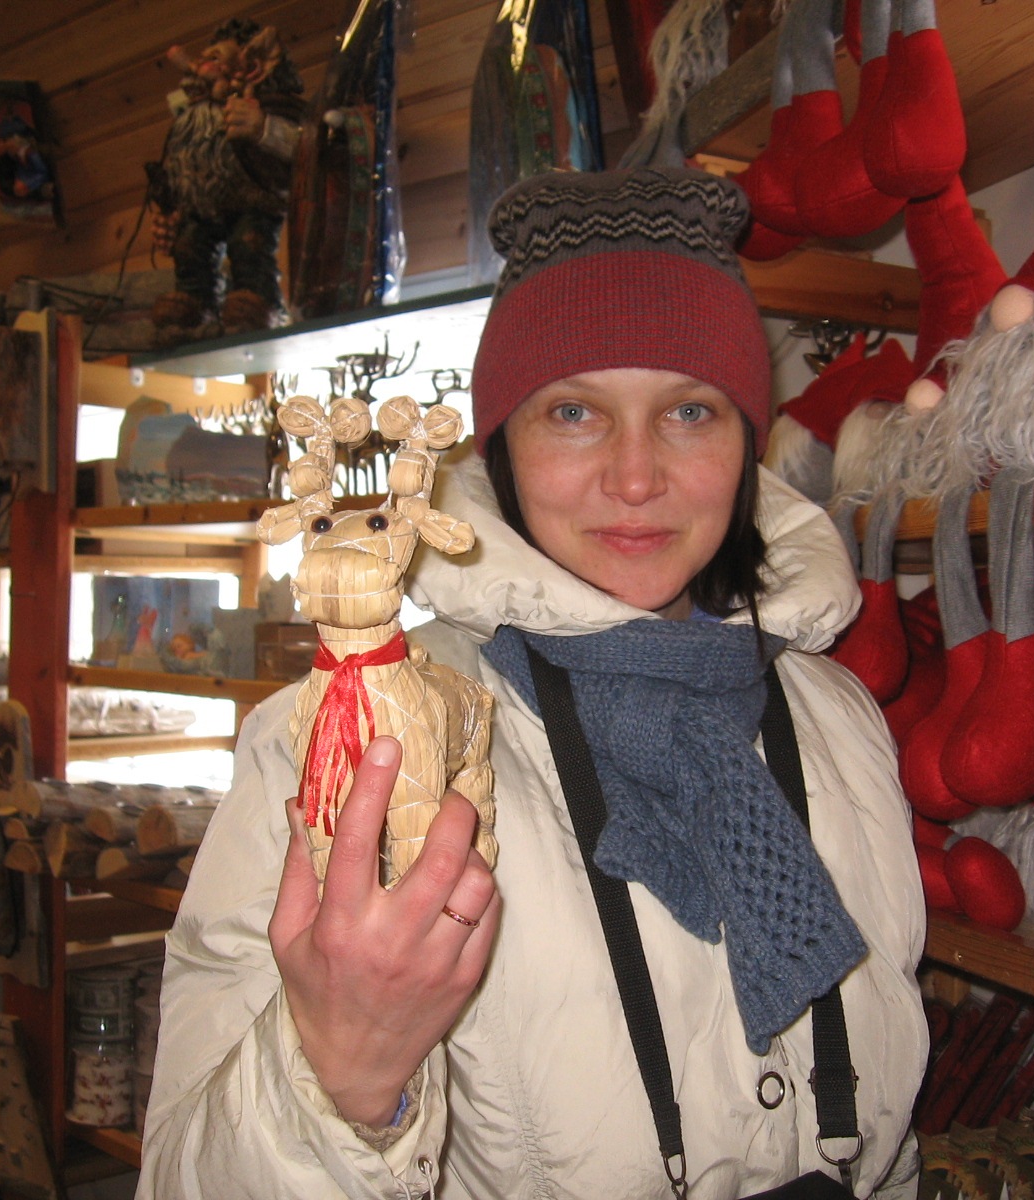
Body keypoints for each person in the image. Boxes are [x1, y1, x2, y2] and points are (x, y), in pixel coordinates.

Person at [139, 166, 927, 1199]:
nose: (635, 477)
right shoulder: (357, 737)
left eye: (691, 411)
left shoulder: (836, 718)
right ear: (501, 444)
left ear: (747, 441)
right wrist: (336, 1074)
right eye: (574, 412)